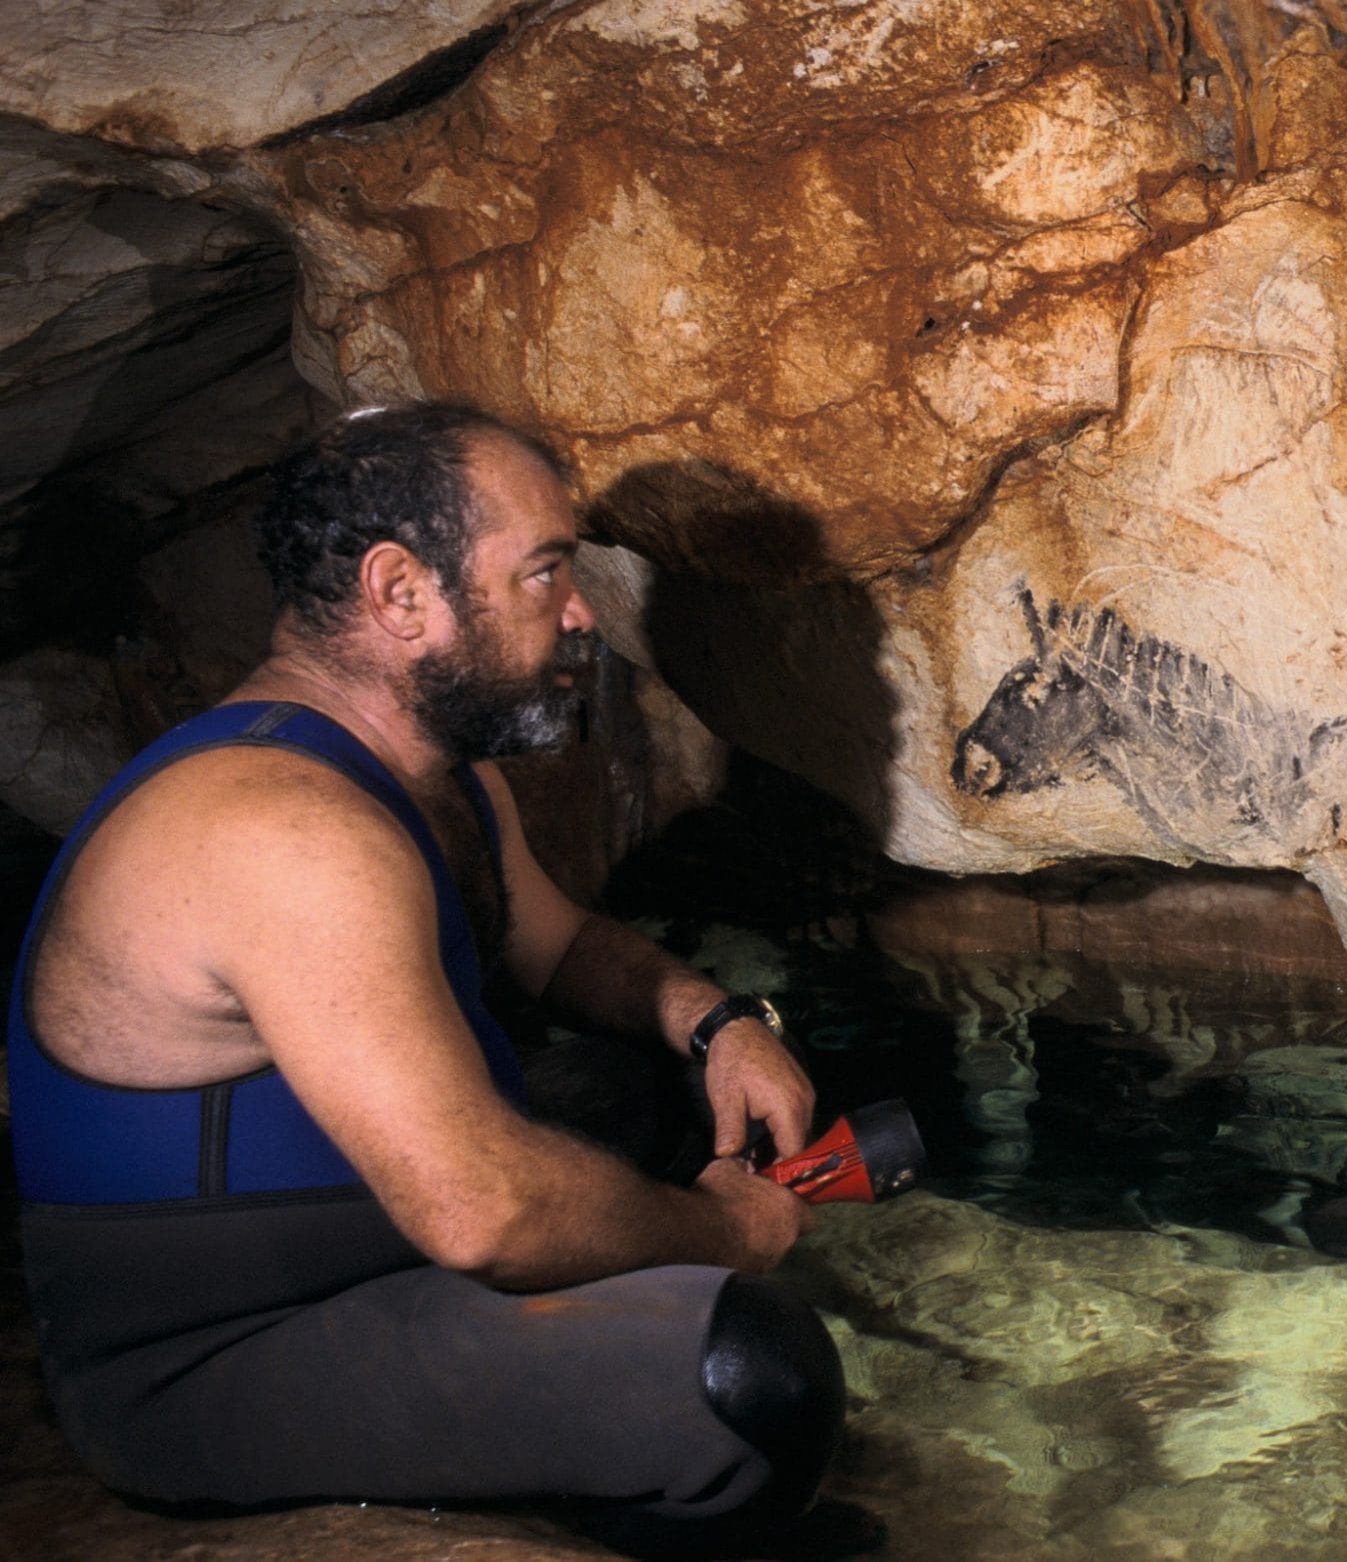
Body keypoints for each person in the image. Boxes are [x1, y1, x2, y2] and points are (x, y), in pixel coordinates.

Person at [6, 403, 868, 1557]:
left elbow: (559, 948)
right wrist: (721, 1232)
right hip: (215, 1354)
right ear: (401, 592)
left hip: (374, 1254)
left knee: (665, 1086)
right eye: (546, 573)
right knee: (749, 1373)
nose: (579, 615)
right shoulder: (280, 826)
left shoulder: (433, 780)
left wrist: (716, 1024)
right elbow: (484, 1208)